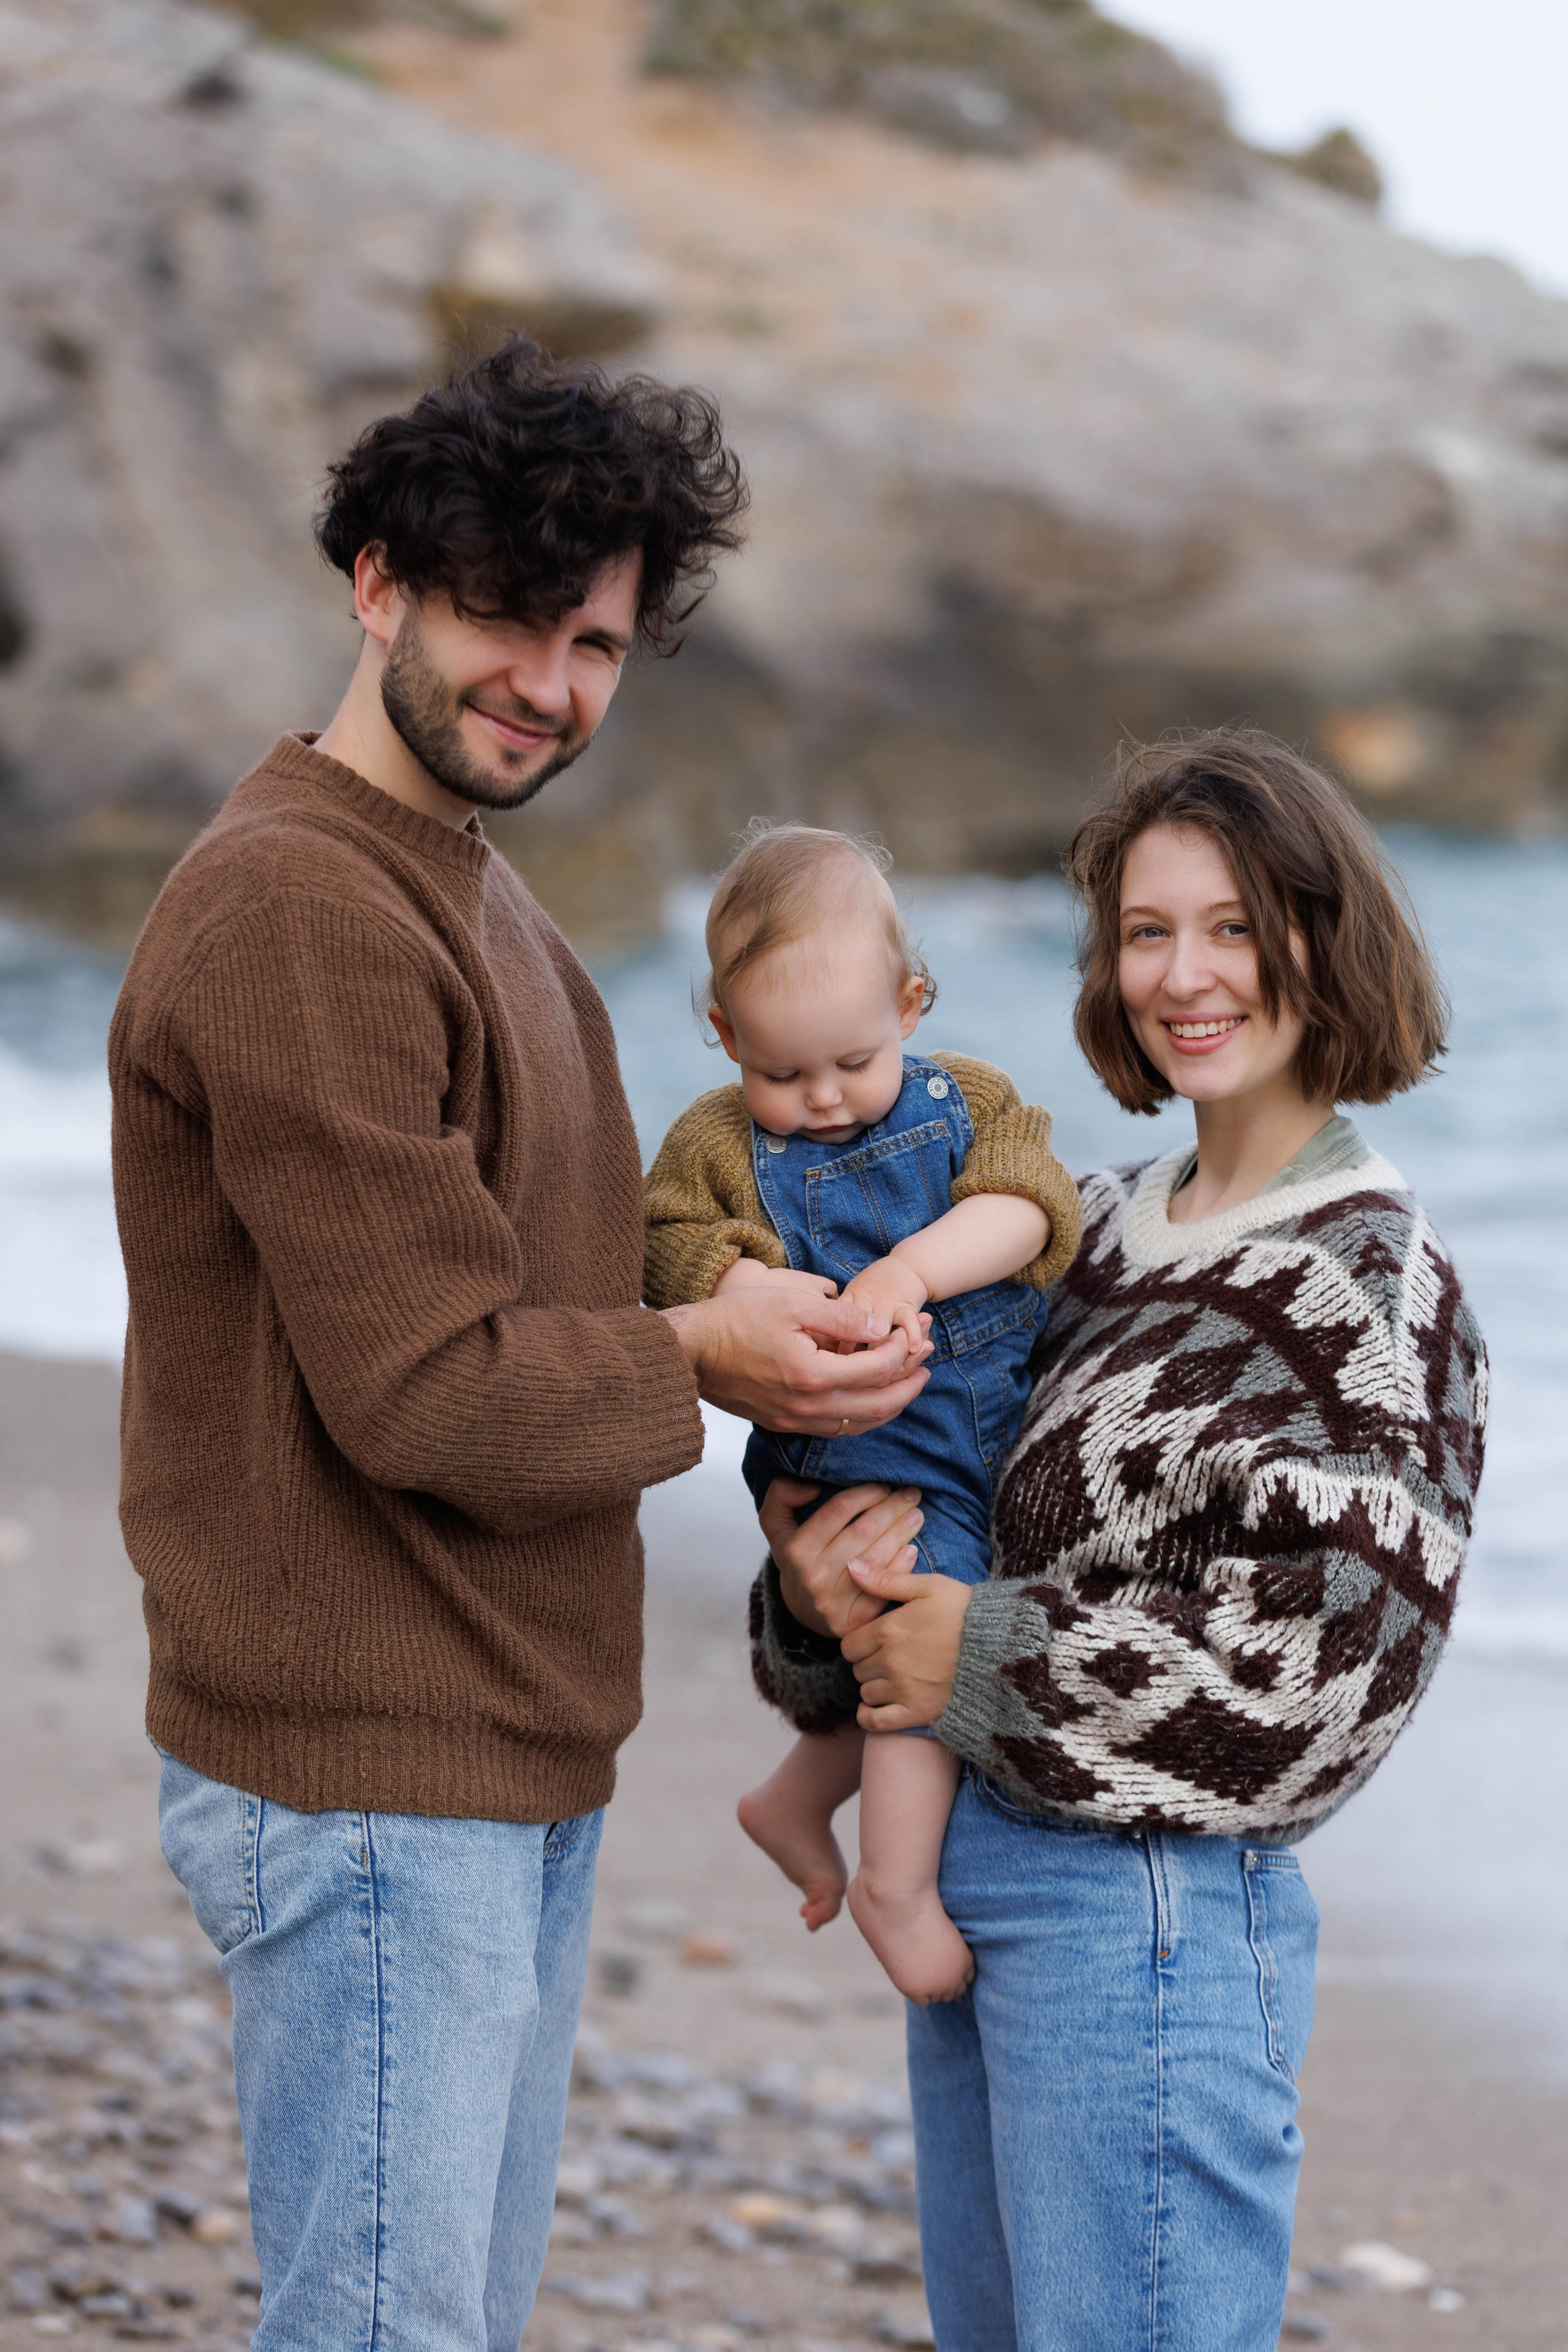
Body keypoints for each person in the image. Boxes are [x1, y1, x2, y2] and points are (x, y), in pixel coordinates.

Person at [109, 340, 935, 2352]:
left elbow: (557, 1303)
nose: (551, 686)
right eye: (508, 613)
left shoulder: (475, 904)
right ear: (379, 578)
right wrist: (712, 1361)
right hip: (373, 1777)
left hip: (488, 1760)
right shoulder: (305, 911)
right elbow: (433, 1392)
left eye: (596, 642)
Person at [747, 729, 1488, 2352]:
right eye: (1147, 931)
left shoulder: (1370, 1287)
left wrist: (980, 1663)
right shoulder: (1080, 1229)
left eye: (1234, 924)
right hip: (974, 1885)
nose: (1184, 973)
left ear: (1326, 935)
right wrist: (821, 1596)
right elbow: (924, 1489)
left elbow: (1328, 1687)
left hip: (1145, 1921)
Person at [643, 824, 1082, 2002]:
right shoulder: (713, 1142)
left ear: (912, 1000)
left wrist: (907, 1275)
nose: (824, 1100)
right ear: (726, 1036)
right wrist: (751, 1292)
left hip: (975, 1431)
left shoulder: (968, 1101)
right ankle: (896, 1887)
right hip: (860, 1453)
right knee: (917, 1634)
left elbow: (1031, 1209)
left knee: (900, 1617)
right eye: (780, 1074)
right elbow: (672, 1245)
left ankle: (793, 1797)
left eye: (852, 1060)